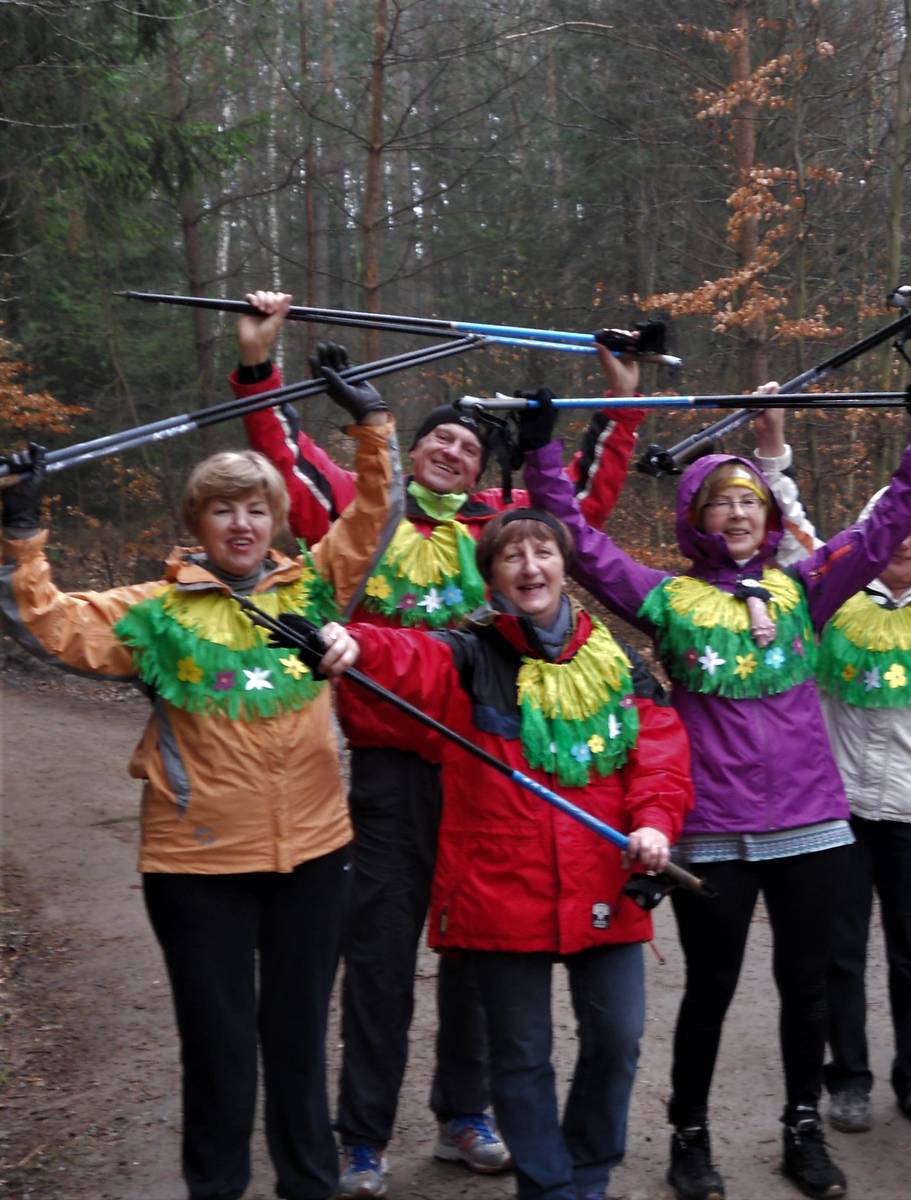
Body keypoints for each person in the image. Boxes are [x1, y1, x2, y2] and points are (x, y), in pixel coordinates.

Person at [230, 292, 647, 1197]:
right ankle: (363, 1136)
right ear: (414, 450)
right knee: (380, 957)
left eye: (466, 445)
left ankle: (466, 1112)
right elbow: (285, 465)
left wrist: (621, 401)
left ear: (480, 469)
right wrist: (260, 367)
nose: (452, 450)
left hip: (491, 770)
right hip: (393, 771)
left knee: (482, 955)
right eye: (438, 439)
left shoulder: (498, 527)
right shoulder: (362, 508)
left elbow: (578, 505)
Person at [519, 382, 911, 1200]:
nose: (741, 512)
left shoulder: (804, 586)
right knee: (710, 989)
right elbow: (579, 544)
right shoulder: (666, 598)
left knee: (807, 988)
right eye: (723, 501)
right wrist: (543, 454)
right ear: (697, 517)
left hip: (810, 825)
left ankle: (802, 1129)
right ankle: (690, 1136)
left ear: (769, 515)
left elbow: (882, 529)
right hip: (713, 828)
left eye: (751, 500)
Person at [0, 364, 394, 1200]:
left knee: (298, 1042)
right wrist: (23, 531)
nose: (241, 524)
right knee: (219, 1049)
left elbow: (371, 519)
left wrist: (373, 429)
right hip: (197, 864)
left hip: (314, 856)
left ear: (276, 520)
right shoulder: (155, 611)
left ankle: (309, 1186)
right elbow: (49, 622)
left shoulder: (314, 589)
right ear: (196, 522)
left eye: (255, 509)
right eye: (222, 509)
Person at [327, 508, 694, 1200]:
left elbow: (660, 755)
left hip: (604, 880)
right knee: (520, 1056)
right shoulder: (466, 654)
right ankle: (547, 1186)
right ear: (491, 576)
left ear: (563, 565)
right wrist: (355, 641)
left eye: (543, 553)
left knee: (617, 1037)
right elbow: (409, 656)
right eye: (512, 557)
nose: (530, 568)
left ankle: (588, 1173)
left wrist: (653, 823)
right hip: (501, 890)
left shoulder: (617, 660)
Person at [749, 406, 911, 1134]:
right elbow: (793, 531)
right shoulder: (831, 593)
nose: (905, 541)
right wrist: (774, 452)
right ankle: (849, 1079)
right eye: (896, 529)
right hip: (837, 809)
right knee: (840, 950)